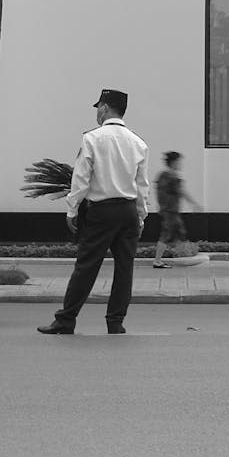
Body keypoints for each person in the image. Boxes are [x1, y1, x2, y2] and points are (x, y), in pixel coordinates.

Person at [37, 89, 149, 335]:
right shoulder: (139, 143)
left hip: (102, 212)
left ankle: (66, 320)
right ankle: (115, 322)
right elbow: (142, 186)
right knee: (124, 269)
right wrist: (141, 215)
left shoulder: (92, 139)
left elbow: (81, 178)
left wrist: (72, 209)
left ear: (106, 108)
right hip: (128, 211)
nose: (97, 112)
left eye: (99, 107)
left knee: (86, 266)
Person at [153, 151, 201, 268]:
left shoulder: (162, 175)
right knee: (168, 234)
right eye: (179, 162)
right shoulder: (172, 176)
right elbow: (181, 191)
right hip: (171, 210)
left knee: (179, 232)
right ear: (174, 162)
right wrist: (194, 203)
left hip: (168, 209)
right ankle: (158, 260)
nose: (181, 164)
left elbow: (159, 192)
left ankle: (186, 254)